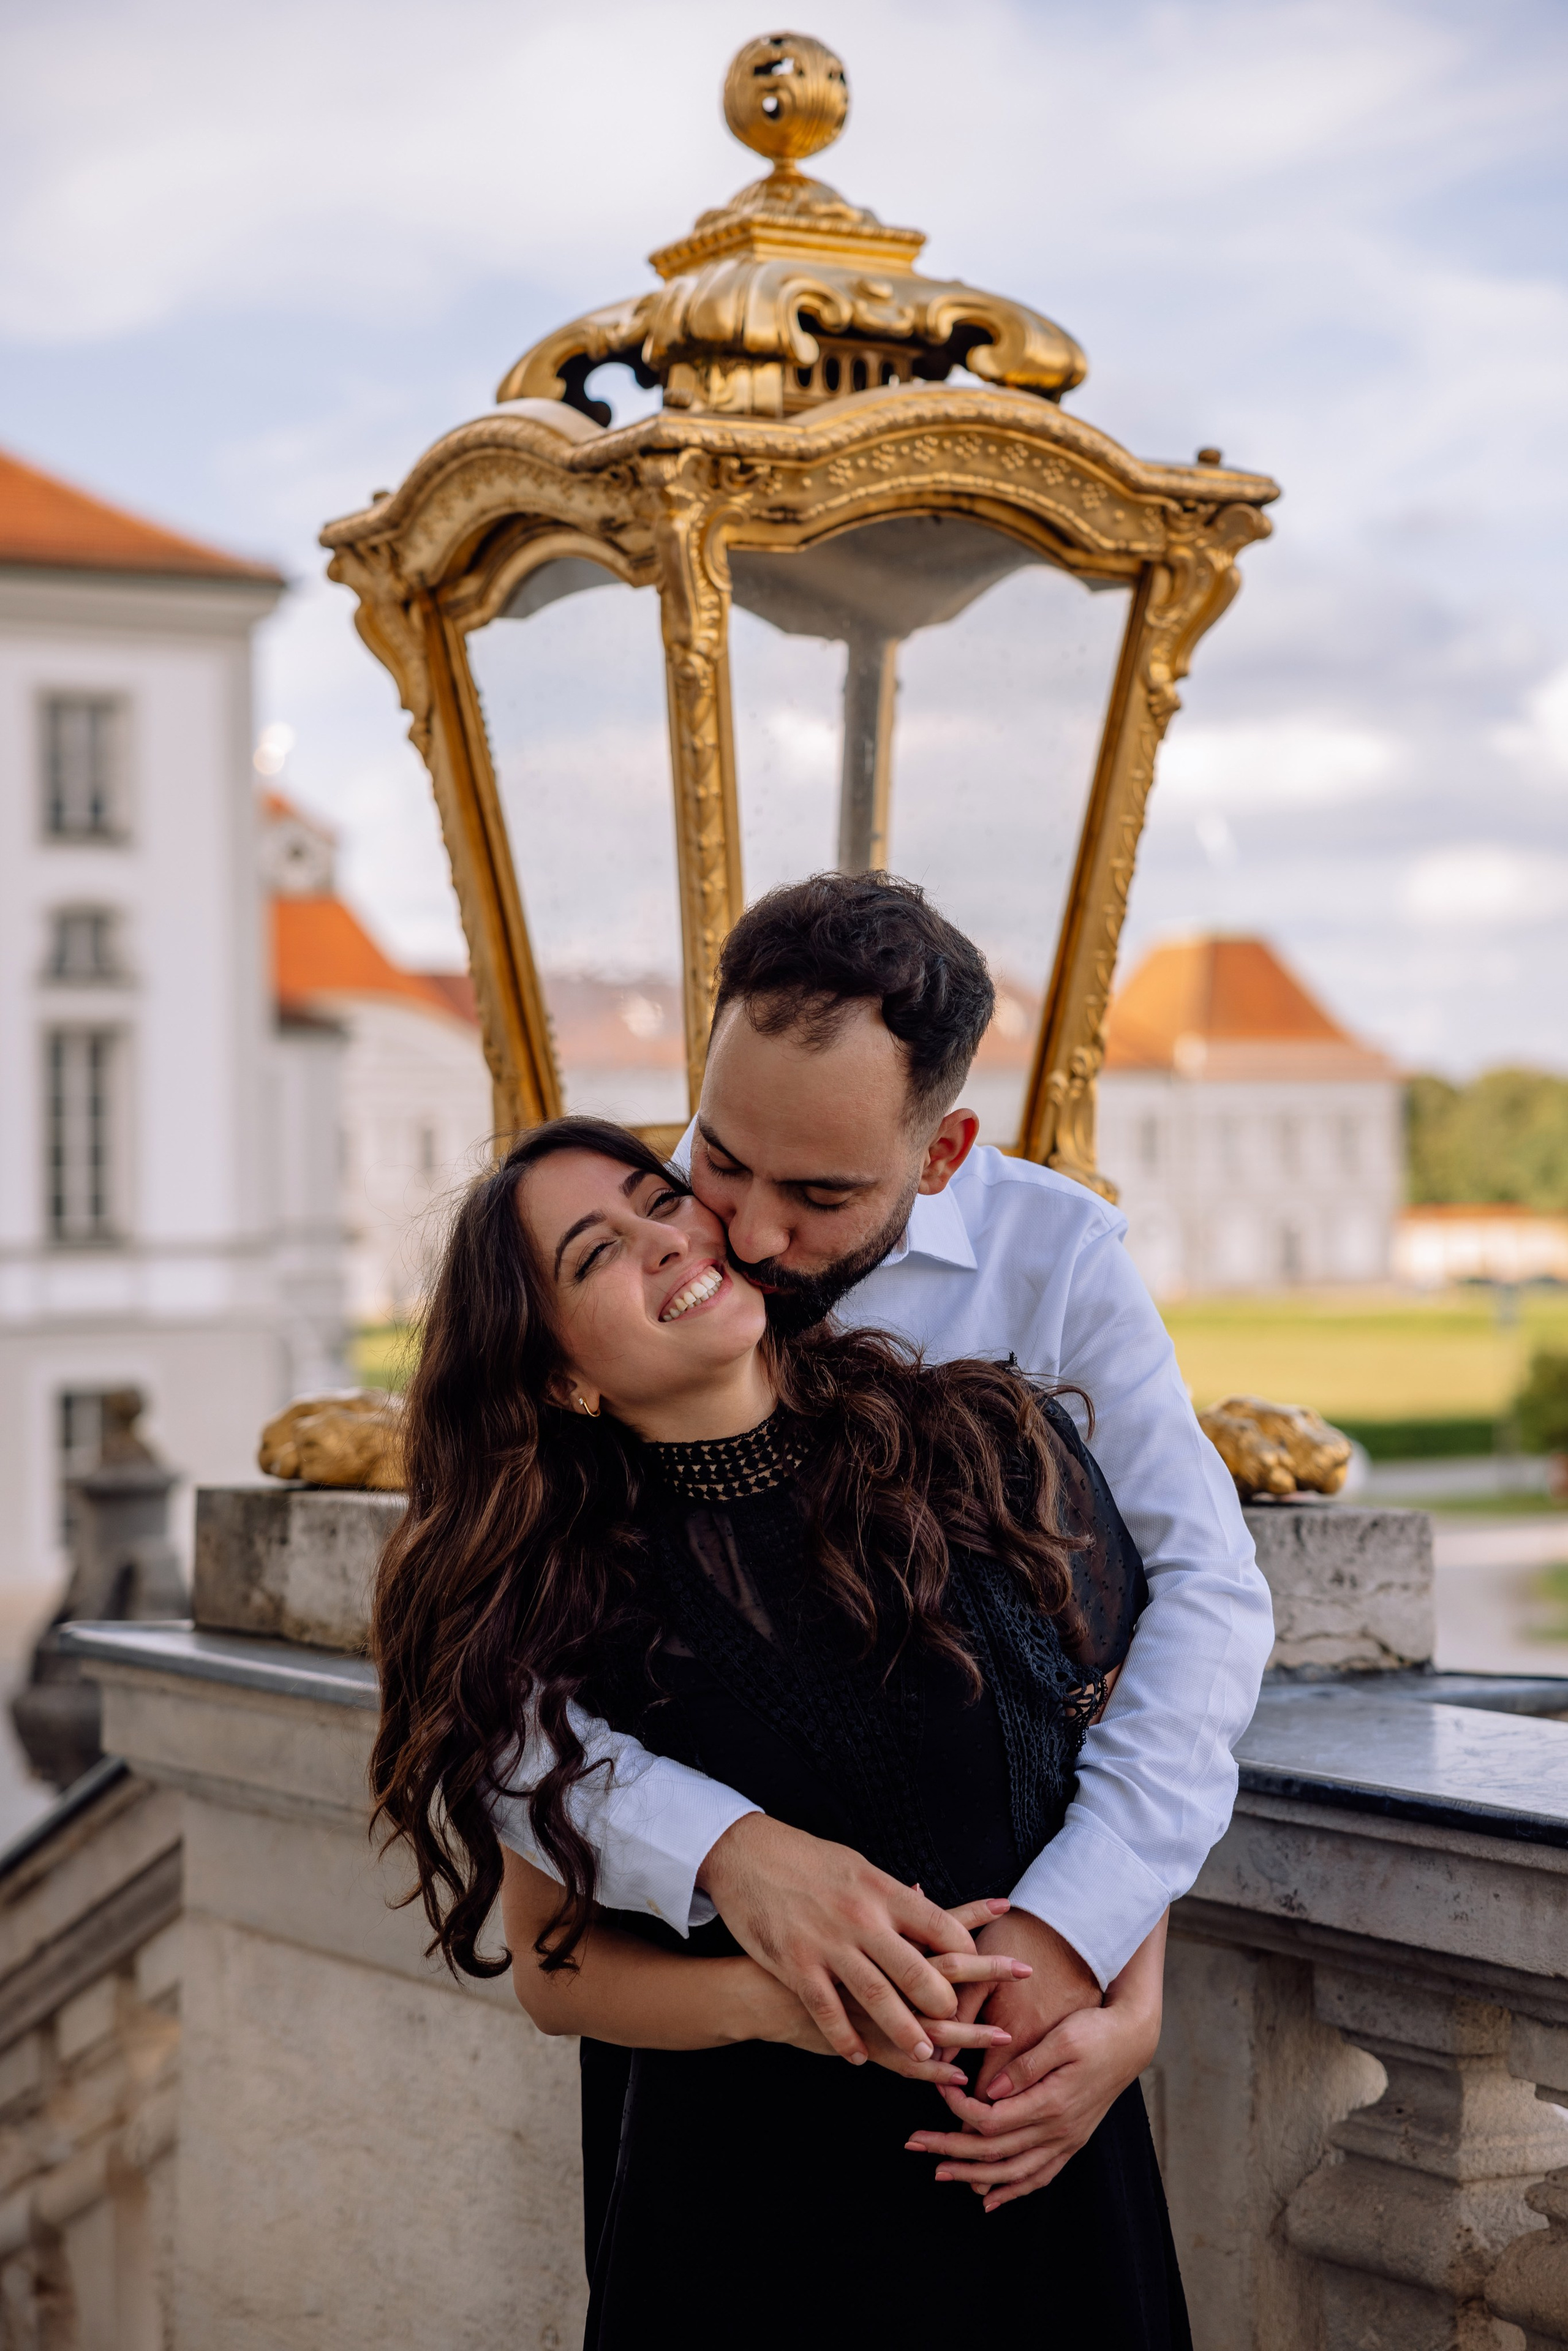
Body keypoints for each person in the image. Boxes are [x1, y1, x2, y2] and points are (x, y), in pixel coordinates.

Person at [486, 875, 1273, 2219]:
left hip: (1008, 2070)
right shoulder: (645, 1266)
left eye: (819, 1193)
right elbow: (497, 1687)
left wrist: (1103, 1951)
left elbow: (1184, 1608)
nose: (745, 1234)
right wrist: (726, 1847)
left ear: (945, 1149)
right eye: (720, 1157)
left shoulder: (1055, 1263)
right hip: (726, 2115)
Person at [371, 1115, 1189, 2345]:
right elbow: (553, 1972)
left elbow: (1125, 1734)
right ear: (559, 1374)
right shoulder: (563, 1605)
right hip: (751, 2226)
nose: (663, 1241)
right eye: (597, 1253)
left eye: (660, 1200)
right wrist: (777, 2002)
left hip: (1047, 2177)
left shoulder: (984, 1437)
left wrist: (1131, 2004)